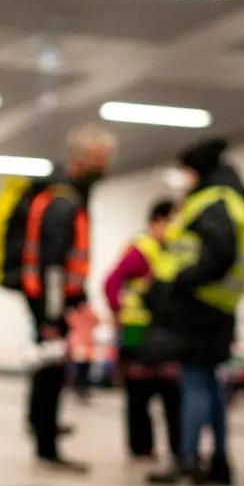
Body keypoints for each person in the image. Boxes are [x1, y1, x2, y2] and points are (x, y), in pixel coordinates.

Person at [0, 124, 115, 473]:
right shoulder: (63, 200)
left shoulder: (65, 195)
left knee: (47, 368)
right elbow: (52, 262)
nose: (106, 165)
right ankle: (47, 446)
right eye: (101, 158)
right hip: (50, 302)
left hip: (54, 300)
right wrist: (51, 315)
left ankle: (42, 430)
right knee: (51, 370)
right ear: (83, 158)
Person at [143, 138, 244, 486]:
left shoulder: (213, 200)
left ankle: (187, 459)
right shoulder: (230, 199)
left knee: (195, 383)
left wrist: (180, 281)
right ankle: (219, 460)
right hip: (218, 307)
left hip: (200, 307)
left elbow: (218, 254)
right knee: (208, 384)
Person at [105, 199, 181, 464]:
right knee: (138, 391)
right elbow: (111, 282)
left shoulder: (170, 250)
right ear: (157, 222)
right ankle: (141, 448)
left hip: (164, 329)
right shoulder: (141, 250)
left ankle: (178, 448)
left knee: (171, 390)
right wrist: (118, 313)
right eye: (171, 221)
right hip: (136, 329)